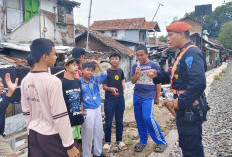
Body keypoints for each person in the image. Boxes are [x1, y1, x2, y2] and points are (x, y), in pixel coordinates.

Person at [150, 21, 210, 157]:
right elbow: (176, 76)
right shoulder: (183, 52)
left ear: (182, 34)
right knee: (187, 143)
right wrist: (157, 75)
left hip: (189, 107)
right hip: (186, 106)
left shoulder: (192, 53)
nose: (168, 39)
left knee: (191, 148)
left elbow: (198, 83)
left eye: (170, 35)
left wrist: (180, 102)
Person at [21, 38, 80, 157]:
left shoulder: (25, 80)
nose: (56, 57)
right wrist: (69, 145)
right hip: (51, 136)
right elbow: (60, 115)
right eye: (53, 54)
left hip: (34, 134)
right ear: (45, 56)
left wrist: (30, 131)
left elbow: (26, 112)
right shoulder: (53, 81)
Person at [130, 45, 167, 153]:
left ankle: (161, 141)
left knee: (148, 118)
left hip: (149, 95)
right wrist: (136, 74)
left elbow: (158, 82)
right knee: (139, 119)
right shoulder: (135, 66)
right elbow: (132, 81)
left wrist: (157, 97)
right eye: (137, 55)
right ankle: (143, 141)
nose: (139, 57)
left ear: (147, 54)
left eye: (141, 55)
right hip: (137, 94)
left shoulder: (154, 65)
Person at [80, 61, 107, 157]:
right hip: (87, 111)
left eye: (92, 70)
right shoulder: (79, 82)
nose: (90, 72)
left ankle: (98, 153)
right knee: (87, 135)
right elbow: (78, 97)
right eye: (87, 70)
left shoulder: (95, 80)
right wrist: (81, 109)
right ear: (82, 70)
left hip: (97, 108)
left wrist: (98, 64)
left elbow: (104, 75)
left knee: (99, 132)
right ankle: (86, 155)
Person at [102, 53, 126, 152]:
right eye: (112, 59)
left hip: (120, 99)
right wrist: (111, 89)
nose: (115, 60)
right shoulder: (106, 72)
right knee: (108, 121)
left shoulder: (121, 71)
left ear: (119, 60)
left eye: (116, 59)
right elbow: (104, 86)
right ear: (110, 60)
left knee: (119, 121)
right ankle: (107, 142)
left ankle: (119, 140)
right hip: (110, 99)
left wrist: (122, 86)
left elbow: (122, 81)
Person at [62, 57, 84, 146]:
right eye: (73, 65)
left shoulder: (78, 81)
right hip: (67, 119)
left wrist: (82, 110)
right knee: (68, 144)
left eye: (77, 65)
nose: (76, 67)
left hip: (77, 116)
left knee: (76, 141)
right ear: (66, 67)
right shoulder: (62, 83)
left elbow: (80, 98)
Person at [0, 73, 18, 157]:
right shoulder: (5, 96)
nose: (1, 85)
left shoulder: (3, 95)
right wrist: (10, 92)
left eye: (1, 82)